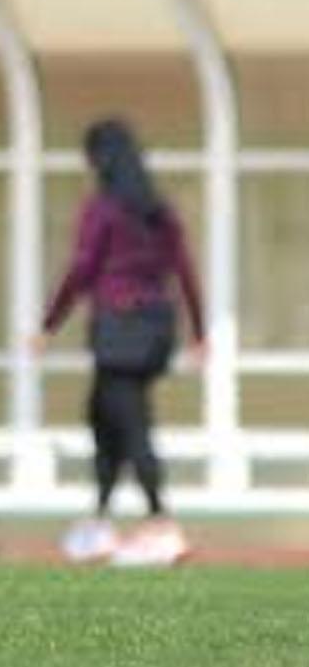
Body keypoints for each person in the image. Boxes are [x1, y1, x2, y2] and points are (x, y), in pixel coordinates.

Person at [35, 118, 205, 568]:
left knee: (129, 424)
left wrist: (49, 323)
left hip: (119, 327)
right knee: (106, 418)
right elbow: (184, 271)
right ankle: (100, 521)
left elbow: (83, 267)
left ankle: (159, 524)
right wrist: (199, 332)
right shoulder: (159, 211)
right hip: (156, 328)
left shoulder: (104, 209)